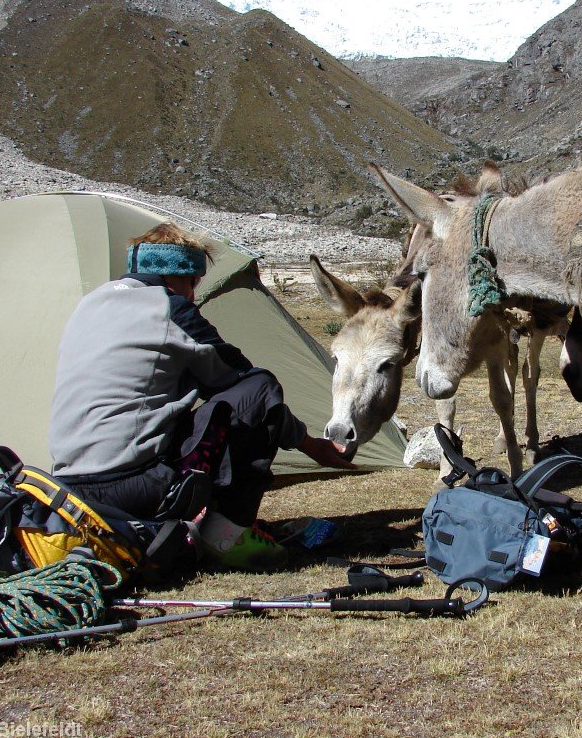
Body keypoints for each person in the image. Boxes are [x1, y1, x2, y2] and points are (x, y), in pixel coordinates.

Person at [48, 222, 354, 571]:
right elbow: (243, 381)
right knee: (260, 387)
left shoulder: (88, 305)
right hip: (133, 485)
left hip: (71, 491)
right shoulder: (170, 309)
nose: (194, 295)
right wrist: (309, 445)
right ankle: (228, 536)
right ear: (176, 276)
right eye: (193, 283)